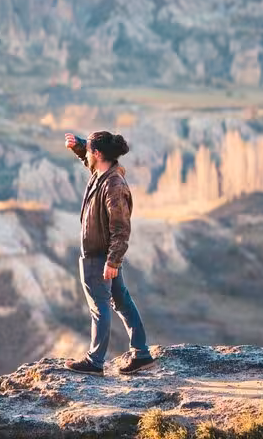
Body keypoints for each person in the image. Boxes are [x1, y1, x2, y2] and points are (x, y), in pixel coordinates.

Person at [63, 131, 156, 376]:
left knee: (99, 306)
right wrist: (78, 146)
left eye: (90, 151)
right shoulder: (103, 173)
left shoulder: (114, 185)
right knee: (121, 299)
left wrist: (113, 261)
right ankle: (141, 354)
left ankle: (95, 361)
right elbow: (89, 160)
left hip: (100, 256)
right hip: (102, 254)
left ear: (99, 154)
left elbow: (120, 228)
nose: (87, 157)